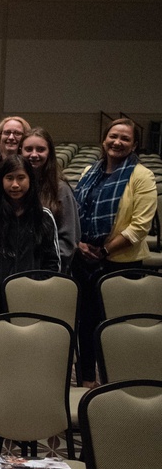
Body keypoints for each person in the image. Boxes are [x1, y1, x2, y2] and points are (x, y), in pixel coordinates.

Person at [72, 118, 157, 387]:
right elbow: (75, 212)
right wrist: (79, 245)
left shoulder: (142, 176)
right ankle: (86, 380)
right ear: (104, 139)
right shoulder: (89, 171)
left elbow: (140, 227)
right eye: (113, 136)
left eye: (125, 139)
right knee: (86, 324)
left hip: (122, 263)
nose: (117, 142)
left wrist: (105, 249)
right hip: (85, 260)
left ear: (134, 145)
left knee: (116, 328)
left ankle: (117, 382)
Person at [0, 156, 61, 315]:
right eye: (9, 178)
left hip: (34, 300)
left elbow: (53, 262)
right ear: (1, 181)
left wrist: (37, 287)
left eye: (21, 178)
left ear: (30, 180)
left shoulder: (44, 217)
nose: (15, 185)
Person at [22, 128, 80, 270]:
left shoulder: (61, 189)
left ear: (50, 153)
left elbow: (69, 241)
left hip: (49, 272)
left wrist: (46, 268)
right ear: (20, 151)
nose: (34, 154)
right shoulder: (14, 187)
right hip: (17, 271)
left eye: (40, 149)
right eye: (28, 149)